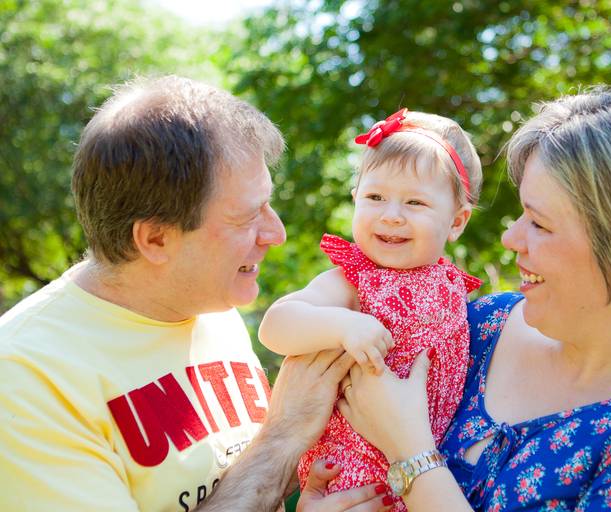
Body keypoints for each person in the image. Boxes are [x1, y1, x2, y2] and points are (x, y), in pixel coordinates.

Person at [332, 86, 611, 510]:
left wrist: (411, 452)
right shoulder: (478, 326)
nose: (509, 237)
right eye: (521, 213)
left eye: (539, 224)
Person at [0, 76, 389, 512]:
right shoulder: (25, 378)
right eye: (247, 217)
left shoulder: (211, 307)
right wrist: (283, 435)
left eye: (268, 203)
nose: (276, 233)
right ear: (156, 239)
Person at [259, 108, 483, 509]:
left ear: (457, 222)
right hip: (352, 476)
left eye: (415, 202)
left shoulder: (452, 285)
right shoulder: (353, 280)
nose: (391, 215)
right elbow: (275, 325)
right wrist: (343, 325)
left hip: (426, 475)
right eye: (375, 197)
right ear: (355, 199)